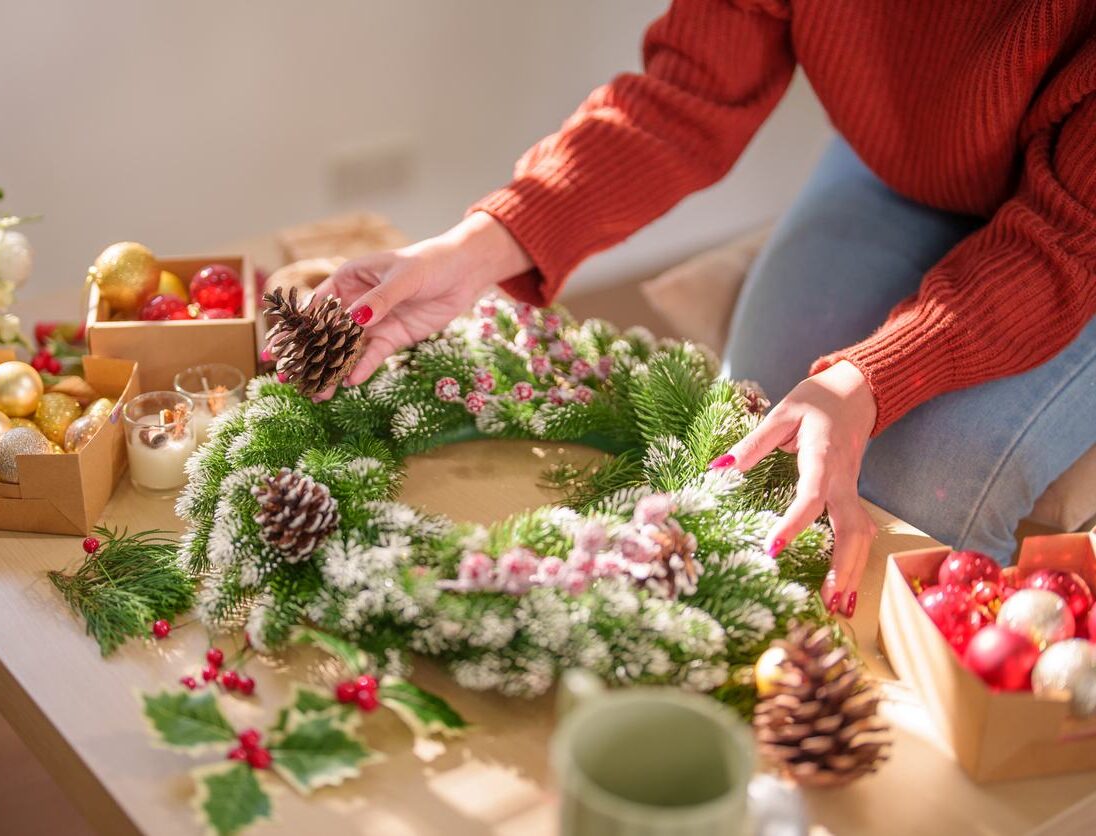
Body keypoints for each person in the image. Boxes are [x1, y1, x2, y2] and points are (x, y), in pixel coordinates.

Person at [308, 1, 1096, 617]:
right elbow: (688, 94)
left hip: (1080, 228)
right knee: (751, 428)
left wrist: (874, 376)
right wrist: (477, 248)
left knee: (932, 489)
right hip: (905, 165)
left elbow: (1064, 241)